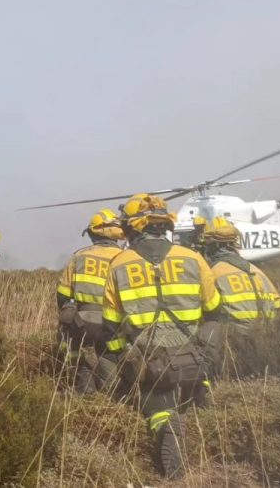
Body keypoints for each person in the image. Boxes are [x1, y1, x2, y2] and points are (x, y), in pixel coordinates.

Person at [101, 193, 222, 479]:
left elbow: (110, 324)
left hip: (149, 361)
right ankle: (204, 412)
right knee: (195, 400)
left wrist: (122, 358)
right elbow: (214, 309)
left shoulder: (118, 264)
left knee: (160, 415)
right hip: (192, 357)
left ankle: (173, 464)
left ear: (133, 227)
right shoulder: (193, 258)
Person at [202, 216, 280, 375]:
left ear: (212, 246)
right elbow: (278, 303)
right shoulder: (257, 271)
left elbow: (207, 308)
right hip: (267, 339)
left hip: (235, 343)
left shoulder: (213, 273)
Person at [56, 208, 124, 393]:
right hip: (112, 324)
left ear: (93, 233)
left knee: (68, 341)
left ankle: (83, 380)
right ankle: (109, 390)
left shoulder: (80, 256)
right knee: (109, 357)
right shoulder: (125, 258)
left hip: (82, 322)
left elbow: (62, 293)